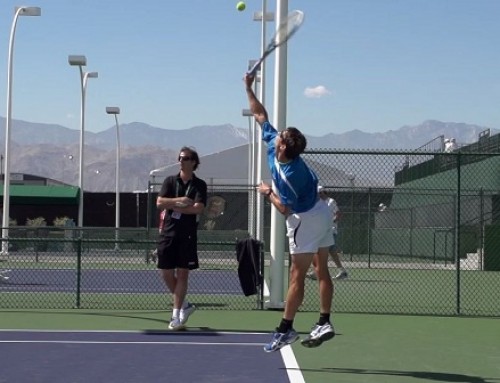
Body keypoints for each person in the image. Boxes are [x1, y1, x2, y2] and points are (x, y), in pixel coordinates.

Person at [244, 74, 336, 352]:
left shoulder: (289, 175)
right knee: (322, 270)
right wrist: (248, 87)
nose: (278, 133)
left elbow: (285, 209)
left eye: (282, 135)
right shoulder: (277, 144)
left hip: (304, 220)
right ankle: (324, 321)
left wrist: (266, 192)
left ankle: (285, 329)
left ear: (283, 146)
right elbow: (260, 114)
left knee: (296, 274)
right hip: (322, 214)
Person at [155, 146, 207, 330]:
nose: (181, 161)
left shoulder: (200, 185)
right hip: (168, 233)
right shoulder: (170, 181)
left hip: (187, 235)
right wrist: (179, 202)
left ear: (193, 162)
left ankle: (176, 316)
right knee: (166, 273)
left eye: (185, 158)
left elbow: (198, 208)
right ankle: (185, 305)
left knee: (183, 273)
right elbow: (160, 202)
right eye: (180, 158)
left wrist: (175, 207)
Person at [307, 186, 348, 280]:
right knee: (331, 252)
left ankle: (318, 272)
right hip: (321, 231)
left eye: (320, 193)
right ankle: (342, 271)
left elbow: (338, 214)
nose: (319, 195)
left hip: (331, 230)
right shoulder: (317, 203)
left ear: (324, 193)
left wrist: (330, 222)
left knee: (321, 250)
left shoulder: (331, 202)